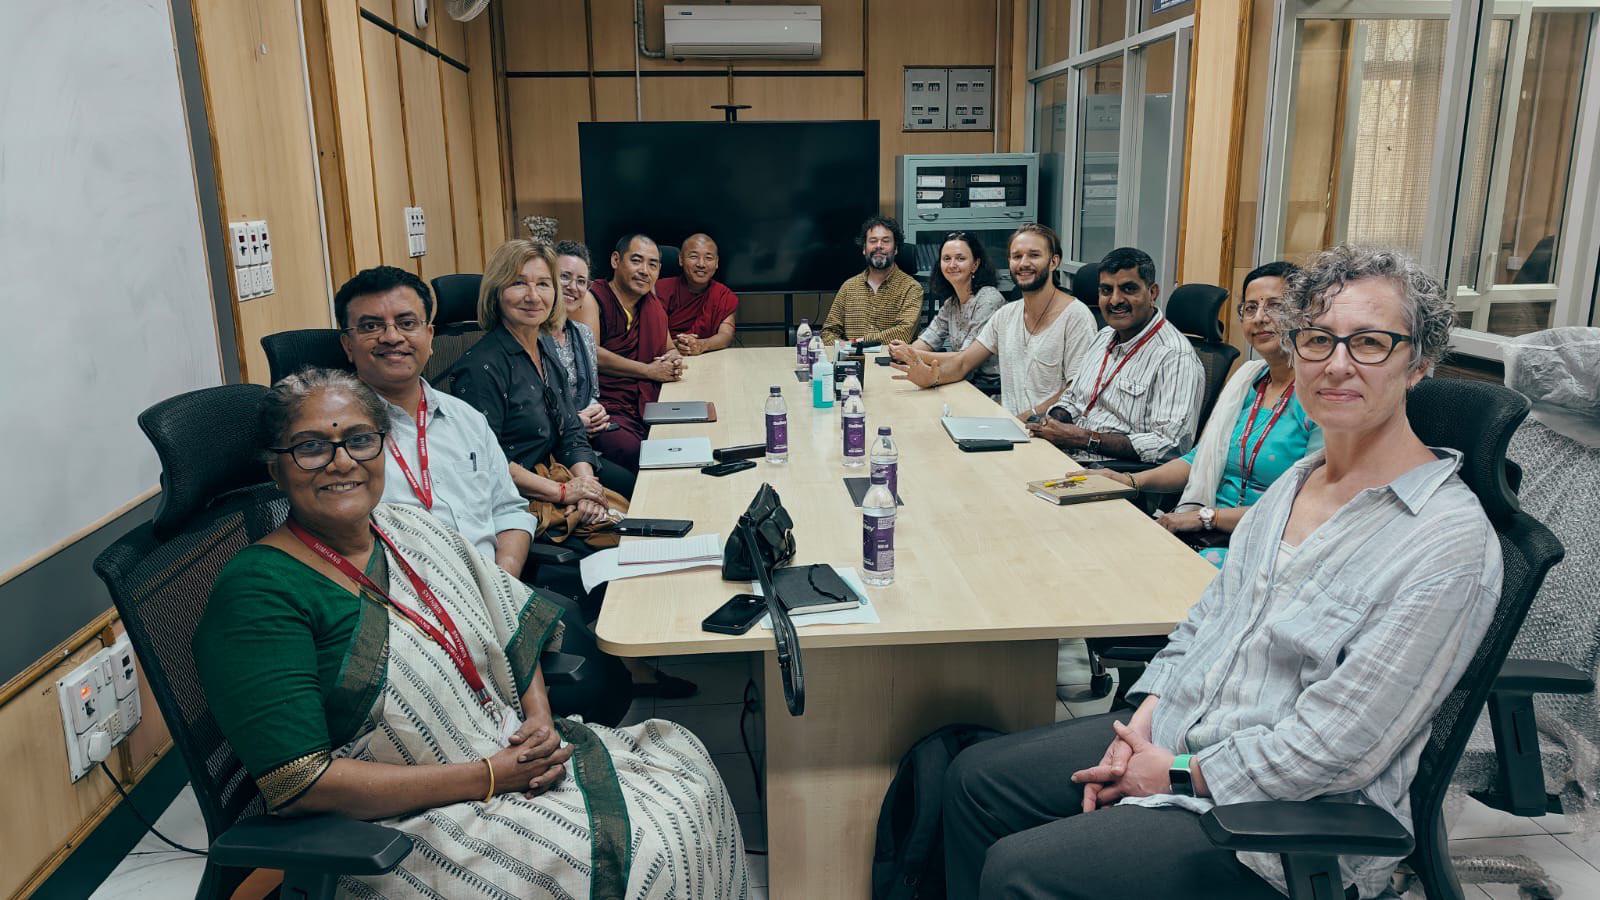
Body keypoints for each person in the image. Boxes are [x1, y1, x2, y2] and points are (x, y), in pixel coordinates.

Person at [943, 244, 1502, 900]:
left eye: (1371, 343)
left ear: (1419, 363)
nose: (1338, 363)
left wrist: (1174, 775)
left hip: (1278, 828)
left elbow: (1337, 748)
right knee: (971, 780)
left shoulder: (1447, 544)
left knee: (1020, 871)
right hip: (1182, 735)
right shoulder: (1297, 484)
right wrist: (1144, 723)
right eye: (1318, 340)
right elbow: (1207, 622)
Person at [194, 369, 747, 897]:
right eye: (312, 447)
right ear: (276, 469)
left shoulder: (408, 529)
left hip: (501, 756)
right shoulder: (258, 592)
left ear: (384, 446)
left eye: (360, 440)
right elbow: (302, 785)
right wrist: (487, 776)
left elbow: (510, 626)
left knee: (685, 770)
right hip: (400, 825)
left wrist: (538, 720)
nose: (342, 462)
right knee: (641, 857)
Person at [334, 265, 632, 723]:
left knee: (608, 677)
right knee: (587, 682)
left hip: (494, 589)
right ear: (347, 344)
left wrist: (501, 580)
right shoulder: (340, 444)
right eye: (372, 326)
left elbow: (509, 509)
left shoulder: (463, 418)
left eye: (407, 323)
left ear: (430, 335)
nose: (392, 336)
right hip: (411, 617)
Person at [1093, 261, 1321, 565]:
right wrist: (1132, 482)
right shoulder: (1250, 381)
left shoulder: (1321, 399)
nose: (1260, 318)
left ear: (1304, 315)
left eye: (1276, 306)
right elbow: (1197, 460)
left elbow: (1309, 508)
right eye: (1250, 308)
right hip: (1208, 531)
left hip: (1267, 545)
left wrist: (1206, 518)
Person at [451, 240, 635, 511]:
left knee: (633, 489)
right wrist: (564, 491)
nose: (533, 296)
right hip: (515, 497)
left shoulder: (545, 348)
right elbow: (490, 461)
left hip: (556, 470)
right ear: (496, 292)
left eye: (543, 284)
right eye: (519, 283)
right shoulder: (480, 367)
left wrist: (586, 486)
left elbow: (571, 431)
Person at [890, 224, 1097, 418]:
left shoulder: (1076, 316)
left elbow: (1076, 390)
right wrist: (931, 377)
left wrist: (1026, 418)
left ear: (1054, 261)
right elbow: (963, 363)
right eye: (1016, 256)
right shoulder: (1006, 315)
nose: (1023, 263)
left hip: (1054, 438)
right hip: (1010, 428)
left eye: (1034, 255)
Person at [1029, 246, 1204, 464]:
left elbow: (1170, 445)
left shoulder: (1175, 357)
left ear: (1152, 293)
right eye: (1106, 290)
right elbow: (1074, 399)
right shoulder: (1104, 336)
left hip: (1112, 473)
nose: (1114, 300)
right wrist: (1053, 423)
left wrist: (1084, 438)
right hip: (1067, 455)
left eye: (1128, 289)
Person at [591, 233, 683, 471]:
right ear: (615, 260)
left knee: (684, 437)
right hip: (605, 407)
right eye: (636, 260)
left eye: (652, 265)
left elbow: (670, 347)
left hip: (647, 403)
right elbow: (592, 354)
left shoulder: (651, 305)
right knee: (636, 450)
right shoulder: (594, 298)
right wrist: (649, 371)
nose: (645, 270)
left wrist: (673, 359)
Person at [884, 231, 1007, 395]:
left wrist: (912, 354)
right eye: (946, 259)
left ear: (975, 264)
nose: (952, 264)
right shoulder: (952, 303)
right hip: (961, 381)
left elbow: (964, 360)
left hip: (989, 389)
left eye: (960, 258)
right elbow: (928, 339)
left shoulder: (989, 299)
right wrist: (905, 352)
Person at [821, 215, 924, 345]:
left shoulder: (911, 288)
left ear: (896, 248)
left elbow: (903, 333)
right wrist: (843, 347)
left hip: (893, 362)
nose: (879, 246)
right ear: (864, 249)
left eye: (886, 241)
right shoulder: (848, 287)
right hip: (853, 360)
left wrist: (855, 343)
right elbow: (828, 331)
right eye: (873, 241)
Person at [551, 240, 610, 435]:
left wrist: (596, 412)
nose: (573, 287)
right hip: (552, 437)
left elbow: (592, 393)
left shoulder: (583, 333)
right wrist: (575, 422)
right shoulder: (532, 336)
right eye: (564, 277)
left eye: (581, 281)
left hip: (586, 433)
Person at [656, 232, 739, 356]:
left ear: (716, 263)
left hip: (708, 358)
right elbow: (652, 332)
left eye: (708, 258)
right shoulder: (660, 289)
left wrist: (701, 345)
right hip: (665, 357)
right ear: (681, 259)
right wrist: (673, 345)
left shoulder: (723, 295)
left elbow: (726, 335)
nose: (701, 264)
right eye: (694, 256)